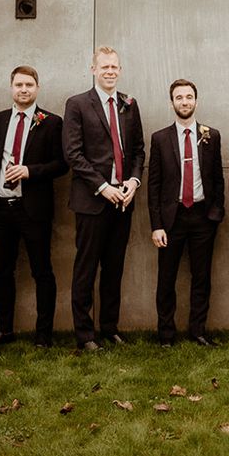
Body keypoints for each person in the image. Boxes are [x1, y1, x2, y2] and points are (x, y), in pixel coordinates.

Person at [62, 46, 145, 351]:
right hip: (92, 201)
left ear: (120, 70)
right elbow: (73, 153)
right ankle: (84, 335)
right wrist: (103, 186)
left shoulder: (129, 104)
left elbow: (138, 149)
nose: (110, 71)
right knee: (86, 268)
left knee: (114, 267)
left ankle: (110, 328)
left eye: (115, 67)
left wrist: (133, 182)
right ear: (93, 69)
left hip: (123, 200)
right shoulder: (77, 104)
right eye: (104, 67)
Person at [0, 66, 68, 348]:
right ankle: (4, 331)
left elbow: (61, 164)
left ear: (37, 88)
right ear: (11, 87)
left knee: (42, 271)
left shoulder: (52, 122)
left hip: (33, 210)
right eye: (19, 84)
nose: (24, 89)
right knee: (2, 271)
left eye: (29, 84)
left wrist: (30, 171)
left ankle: (44, 335)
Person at [148, 79, 225, 347]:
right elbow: (154, 185)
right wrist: (156, 225)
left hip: (203, 217)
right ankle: (166, 335)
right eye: (179, 97)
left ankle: (198, 331)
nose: (184, 101)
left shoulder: (211, 135)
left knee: (201, 277)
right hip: (172, 218)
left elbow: (217, 178)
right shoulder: (159, 138)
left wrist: (216, 213)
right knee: (166, 278)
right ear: (172, 103)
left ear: (196, 100)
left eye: (189, 97)